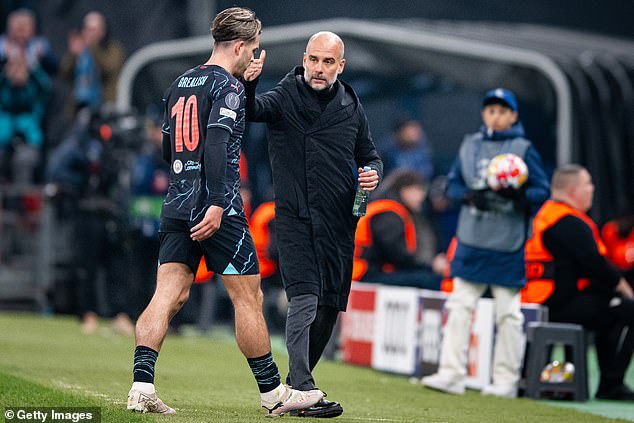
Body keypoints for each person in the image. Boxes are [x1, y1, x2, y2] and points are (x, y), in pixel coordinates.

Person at [126, 7, 324, 416]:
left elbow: (167, 149)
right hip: (220, 209)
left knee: (166, 296)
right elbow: (217, 145)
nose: (255, 57)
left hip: (177, 203)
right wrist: (217, 203)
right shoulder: (227, 88)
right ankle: (273, 394)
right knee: (248, 298)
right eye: (253, 50)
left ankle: (141, 386)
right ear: (239, 46)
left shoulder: (181, 82)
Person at [244, 31, 382, 417]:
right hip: (296, 218)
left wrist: (371, 172)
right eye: (314, 60)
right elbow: (252, 111)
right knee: (304, 297)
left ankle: (298, 391)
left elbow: (369, 154)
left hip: (340, 222)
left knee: (331, 305)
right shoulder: (285, 95)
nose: (319, 69)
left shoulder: (351, 104)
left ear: (341, 65)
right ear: (304, 59)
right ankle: (303, 385)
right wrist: (249, 82)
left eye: (327, 62)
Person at [422, 88, 550, 398]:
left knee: (509, 313)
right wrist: (466, 195)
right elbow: (451, 185)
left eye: (502, 111)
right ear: (484, 114)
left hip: (507, 241)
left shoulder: (523, 148)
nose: (495, 115)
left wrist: (518, 195)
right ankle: (451, 373)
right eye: (490, 110)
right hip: (472, 237)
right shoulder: (469, 146)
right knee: (460, 305)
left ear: (513, 116)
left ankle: (505, 380)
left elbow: (541, 190)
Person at [523, 165, 634, 400]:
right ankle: (611, 384)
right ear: (573, 191)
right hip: (554, 303)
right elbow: (593, 264)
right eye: (588, 184)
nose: (592, 189)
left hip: (536, 300)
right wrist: (622, 286)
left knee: (608, 307)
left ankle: (608, 383)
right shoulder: (567, 221)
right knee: (625, 308)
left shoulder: (546, 215)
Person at [352, 169, 445, 289]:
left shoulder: (386, 208)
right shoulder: (389, 213)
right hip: (364, 274)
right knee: (427, 280)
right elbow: (398, 256)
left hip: (369, 270)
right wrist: (431, 265)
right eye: (419, 190)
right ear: (404, 190)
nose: (422, 197)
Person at [60, 10, 124, 115]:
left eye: (94, 30)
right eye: (87, 29)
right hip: (81, 106)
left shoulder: (113, 48)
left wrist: (93, 47)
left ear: (103, 31)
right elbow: (64, 73)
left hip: (106, 105)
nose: (90, 34)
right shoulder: (81, 51)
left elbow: (110, 68)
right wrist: (72, 55)